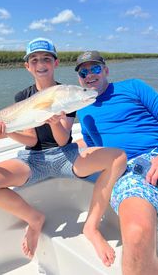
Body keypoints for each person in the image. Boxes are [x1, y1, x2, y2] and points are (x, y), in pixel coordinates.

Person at [0, 38, 126, 266]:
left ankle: (91, 226)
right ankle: (34, 219)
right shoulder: (22, 97)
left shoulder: (68, 92)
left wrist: (55, 121)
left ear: (55, 63)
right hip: (33, 159)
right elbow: (31, 139)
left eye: (46, 58)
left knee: (117, 157)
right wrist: (6, 133)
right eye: (34, 60)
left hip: (66, 156)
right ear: (28, 66)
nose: (40, 63)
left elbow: (63, 138)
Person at [75, 50, 158, 275]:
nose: (89, 75)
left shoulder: (133, 86)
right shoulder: (84, 110)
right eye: (84, 72)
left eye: (95, 69)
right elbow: (94, 145)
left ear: (106, 70)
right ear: (79, 79)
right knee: (136, 232)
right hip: (128, 169)